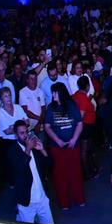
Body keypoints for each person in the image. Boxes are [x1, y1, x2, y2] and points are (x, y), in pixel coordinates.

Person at [44, 82, 85, 210]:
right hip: (57, 147)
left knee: (75, 172)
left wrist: (74, 139)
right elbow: (47, 126)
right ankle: (64, 202)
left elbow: (79, 123)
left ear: (60, 93)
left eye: (55, 92)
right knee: (59, 174)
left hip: (73, 145)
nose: (53, 95)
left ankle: (79, 198)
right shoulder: (51, 107)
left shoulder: (71, 105)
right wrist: (57, 140)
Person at [6, 120, 55, 224]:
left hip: (42, 198)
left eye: (26, 132)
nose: (25, 135)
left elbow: (49, 165)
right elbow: (20, 170)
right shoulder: (12, 151)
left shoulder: (34, 146)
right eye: (21, 133)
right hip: (26, 202)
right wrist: (28, 149)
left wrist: (42, 150)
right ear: (16, 135)